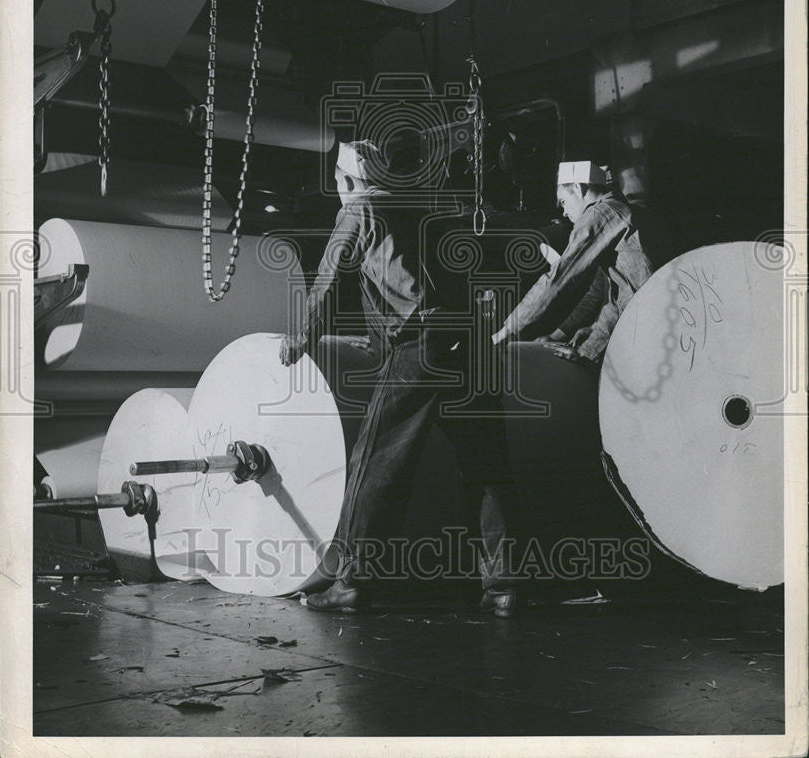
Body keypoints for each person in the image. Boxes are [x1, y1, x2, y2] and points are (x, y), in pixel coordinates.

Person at [279, 140, 520, 617]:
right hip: (469, 341)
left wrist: (301, 337)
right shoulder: (421, 206)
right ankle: (504, 588)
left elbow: (329, 280)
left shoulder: (358, 211)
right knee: (485, 463)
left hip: (421, 344)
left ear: (346, 181)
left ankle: (350, 580)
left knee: (376, 461)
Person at [491, 160, 657, 365]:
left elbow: (559, 278)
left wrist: (509, 329)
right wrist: (589, 346)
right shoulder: (627, 212)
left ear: (578, 189)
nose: (563, 212)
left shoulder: (599, 213)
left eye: (563, 201)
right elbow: (622, 298)